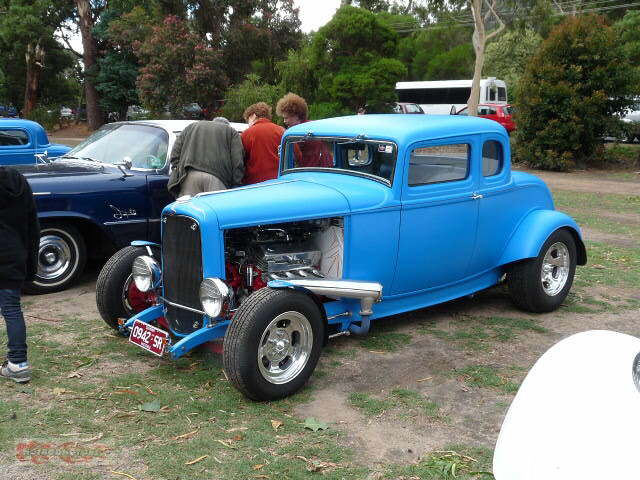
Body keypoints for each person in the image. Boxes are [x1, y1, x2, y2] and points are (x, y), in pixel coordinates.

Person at [0, 166, 39, 383]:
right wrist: (31, 263)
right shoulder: (18, 180)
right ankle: (18, 362)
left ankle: (16, 363)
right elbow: (32, 223)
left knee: (10, 309)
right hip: (14, 253)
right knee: (12, 308)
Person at [167, 117, 244, 198]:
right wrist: (236, 183)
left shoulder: (191, 127)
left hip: (189, 175)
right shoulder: (231, 132)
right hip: (218, 178)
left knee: (190, 208)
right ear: (227, 125)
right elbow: (238, 161)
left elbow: (175, 153)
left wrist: (178, 171)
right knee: (216, 208)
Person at [275, 93, 333, 168]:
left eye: (286, 118)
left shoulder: (298, 132)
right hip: (324, 166)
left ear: (296, 115)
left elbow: (295, 156)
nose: (284, 121)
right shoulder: (311, 125)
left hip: (311, 170)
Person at [241, 102, 284, 184]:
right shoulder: (282, 131)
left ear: (253, 116)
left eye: (248, 120)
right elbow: (296, 156)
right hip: (280, 182)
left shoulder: (247, 133)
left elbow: (239, 160)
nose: (248, 124)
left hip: (255, 184)